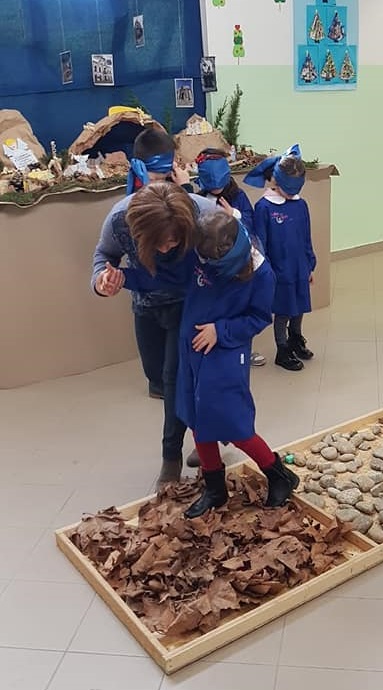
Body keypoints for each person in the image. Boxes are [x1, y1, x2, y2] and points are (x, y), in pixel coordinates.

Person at [105, 197, 299, 517]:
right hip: (192, 351)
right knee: (196, 419)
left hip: (225, 356)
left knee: (234, 424)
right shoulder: (198, 254)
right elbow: (167, 278)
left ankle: (279, 474)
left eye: (212, 263)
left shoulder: (261, 273)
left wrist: (220, 331)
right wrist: (126, 278)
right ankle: (214, 488)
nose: (204, 267)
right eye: (201, 260)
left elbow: (258, 318)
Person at [91, 130, 214, 485]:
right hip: (146, 306)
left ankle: (172, 457)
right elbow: (104, 256)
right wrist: (102, 281)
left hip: (188, 307)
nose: (165, 249)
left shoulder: (201, 211)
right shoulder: (120, 217)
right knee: (158, 379)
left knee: (177, 380)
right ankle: (207, 436)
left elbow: (241, 256)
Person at [244, 144, 316, 372]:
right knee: (283, 311)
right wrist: (267, 274)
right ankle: (282, 350)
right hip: (278, 271)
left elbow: (306, 237)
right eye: (289, 189)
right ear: (275, 181)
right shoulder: (264, 207)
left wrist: (310, 264)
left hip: (299, 267)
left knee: (299, 306)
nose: (292, 194)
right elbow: (260, 244)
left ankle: (296, 339)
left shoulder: (300, 204)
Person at [194, 148, 265, 366]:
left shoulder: (238, 197)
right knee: (216, 305)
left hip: (238, 266)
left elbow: (251, 225)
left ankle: (241, 347)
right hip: (211, 266)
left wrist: (234, 215)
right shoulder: (199, 198)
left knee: (238, 307)